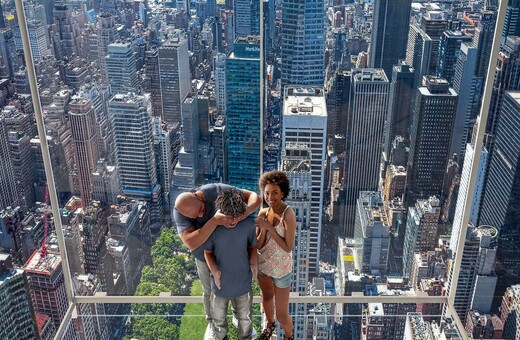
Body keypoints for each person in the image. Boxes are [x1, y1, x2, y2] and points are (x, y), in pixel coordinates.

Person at [174, 184, 261, 339]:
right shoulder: (180, 211)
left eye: (201, 210)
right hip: (204, 256)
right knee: (209, 291)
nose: (200, 216)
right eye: (194, 217)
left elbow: (255, 198)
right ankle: (213, 324)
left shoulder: (216, 191)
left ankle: (238, 317)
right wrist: (214, 221)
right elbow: (191, 242)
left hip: (234, 252)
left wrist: (242, 214)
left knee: (239, 287)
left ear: (198, 196)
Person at [204, 188, 258, 340]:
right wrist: (214, 272)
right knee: (219, 320)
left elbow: (253, 246)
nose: (234, 220)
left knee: (245, 318)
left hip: (243, 282)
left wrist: (254, 264)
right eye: (230, 216)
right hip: (220, 285)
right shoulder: (213, 228)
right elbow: (207, 253)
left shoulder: (248, 226)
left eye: (237, 216)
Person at [254, 171, 296, 340]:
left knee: (282, 314)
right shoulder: (263, 213)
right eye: (267, 193)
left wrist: (270, 228)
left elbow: (288, 247)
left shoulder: (288, 214)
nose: (270, 197)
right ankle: (270, 326)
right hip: (263, 264)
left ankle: (289, 336)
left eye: (275, 193)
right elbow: (258, 244)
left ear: (283, 193)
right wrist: (264, 228)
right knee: (266, 298)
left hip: (282, 269)